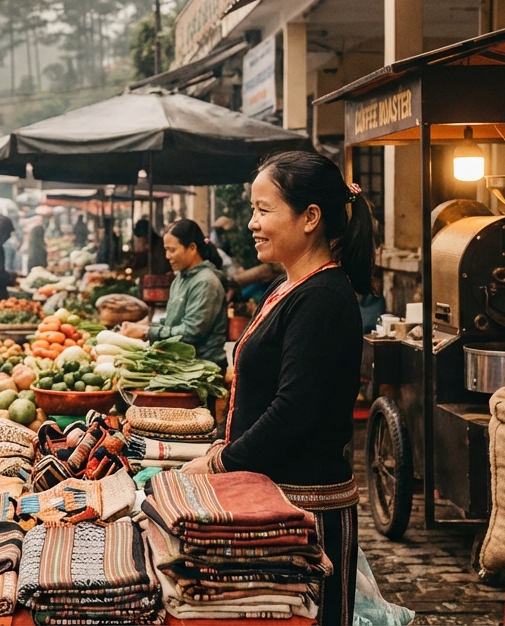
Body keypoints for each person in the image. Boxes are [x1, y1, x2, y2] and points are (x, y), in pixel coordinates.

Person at [180, 150, 375, 626]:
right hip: (275, 503)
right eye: (252, 210)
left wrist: (220, 461)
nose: (252, 223)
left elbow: (294, 410)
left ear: (310, 217)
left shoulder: (324, 299)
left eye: (264, 210)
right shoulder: (290, 286)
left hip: (307, 513)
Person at [119, 219, 229, 366]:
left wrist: (146, 332)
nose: (167, 256)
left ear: (192, 248)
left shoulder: (206, 282)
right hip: (181, 361)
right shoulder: (180, 279)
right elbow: (171, 322)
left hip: (202, 366)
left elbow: (191, 332)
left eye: (172, 250)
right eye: (166, 250)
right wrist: (144, 327)